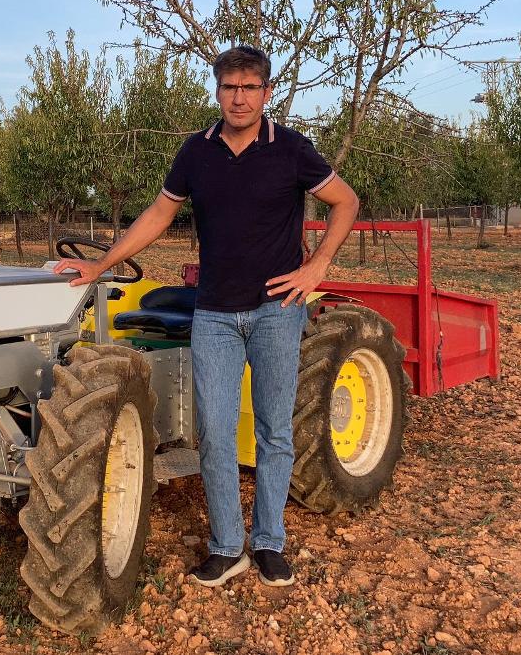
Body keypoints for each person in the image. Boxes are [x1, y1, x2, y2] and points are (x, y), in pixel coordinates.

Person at [53, 45, 359, 588]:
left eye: (250, 88)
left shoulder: (291, 150)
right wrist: (102, 263)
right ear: (218, 92)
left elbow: (346, 201)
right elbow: (158, 213)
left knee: (273, 432)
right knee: (215, 434)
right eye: (229, 88)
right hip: (214, 312)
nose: (239, 98)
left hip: (276, 310)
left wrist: (317, 268)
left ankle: (268, 542)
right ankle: (226, 546)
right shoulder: (196, 152)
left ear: (267, 93)